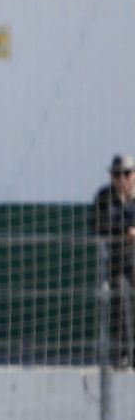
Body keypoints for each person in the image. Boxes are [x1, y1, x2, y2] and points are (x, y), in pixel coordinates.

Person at [92, 153, 135, 369]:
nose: (122, 179)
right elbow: (98, 226)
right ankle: (124, 354)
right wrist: (123, 232)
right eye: (118, 174)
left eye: (127, 174)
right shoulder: (104, 198)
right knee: (121, 302)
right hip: (117, 261)